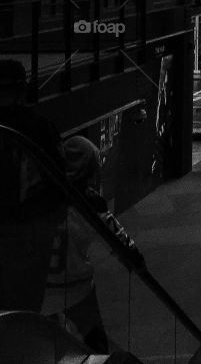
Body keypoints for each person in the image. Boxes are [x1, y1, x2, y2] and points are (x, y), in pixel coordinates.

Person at [42, 135, 142, 354]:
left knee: (49, 344)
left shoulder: (42, 197)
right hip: (77, 286)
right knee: (95, 341)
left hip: (43, 286)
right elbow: (120, 239)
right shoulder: (90, 202)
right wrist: (135, 259)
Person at [0, 59, 66, 313]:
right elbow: (58, 183)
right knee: (24, 307)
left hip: (27, 227)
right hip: (29, 232)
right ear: (22, 89)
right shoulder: (39, 128)